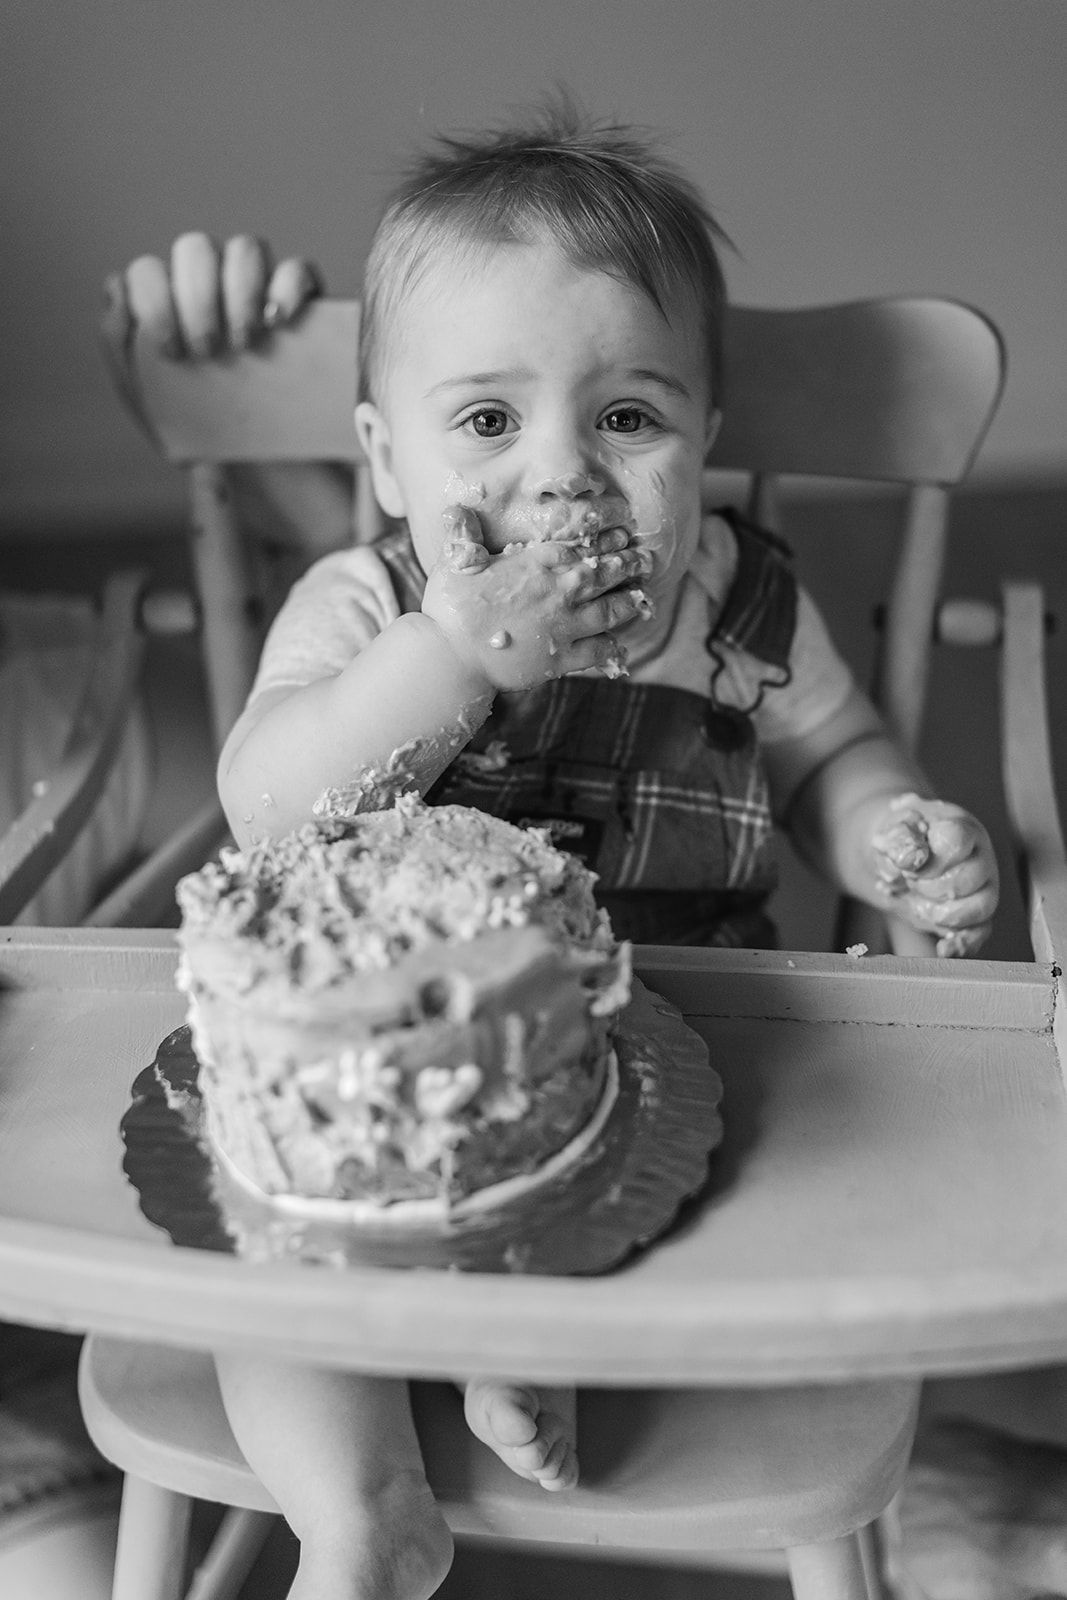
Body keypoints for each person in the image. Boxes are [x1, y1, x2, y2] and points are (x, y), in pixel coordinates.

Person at [104, 102, 1000, 1600]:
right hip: (376, 1072)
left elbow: (836, 751)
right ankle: (361, 1512)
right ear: (386, 464)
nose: (563, 478)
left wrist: (890, 832)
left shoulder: (734, 610)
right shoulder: (366, 609)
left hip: (679, 1059)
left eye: (629, 420)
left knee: (748, 1195)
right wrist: (452, 652)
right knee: (266, 1258)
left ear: (705, 443)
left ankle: (531, 1346)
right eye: (487, 423)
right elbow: (272, 808)